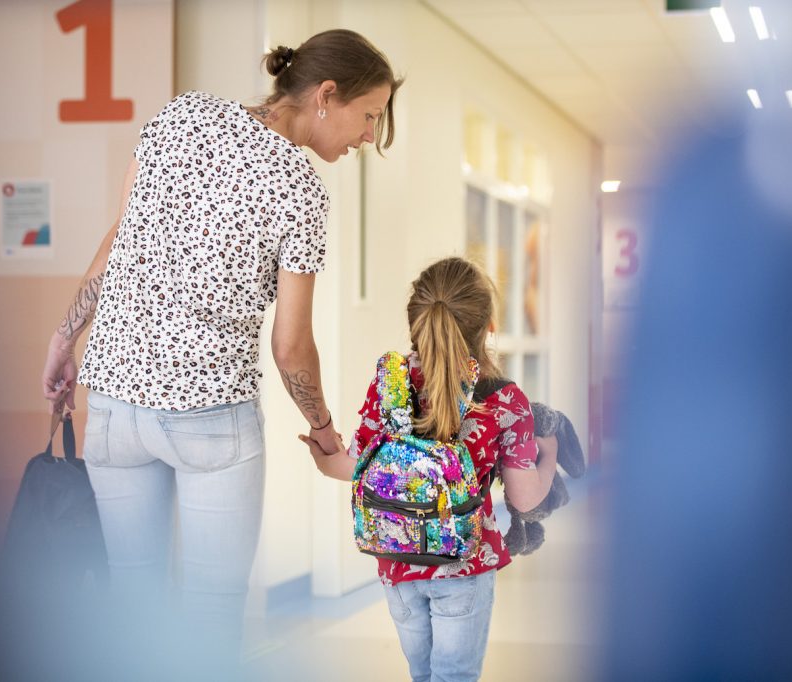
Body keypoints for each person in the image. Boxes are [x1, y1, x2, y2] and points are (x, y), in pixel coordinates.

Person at [39, 28, 402, 665]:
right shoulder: (302, 189)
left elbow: (119, 237)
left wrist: (63, 337)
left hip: (115, 409)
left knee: (133, 609)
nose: (369, 135)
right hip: (211, 422)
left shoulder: (180, 114)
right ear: (325, 95)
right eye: (369, 115)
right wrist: (323, 429)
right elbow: (291, 348)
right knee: (211, 625)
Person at [302, 256, 558, 682]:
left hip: (396, 565)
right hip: (464, 567)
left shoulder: (391, 384)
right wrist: (548, 455)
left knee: (423, 676)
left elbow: (358, 466)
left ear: (415, 324)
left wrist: (324, 458)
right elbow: (526, 496)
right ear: (488, 326)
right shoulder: (504, 399)